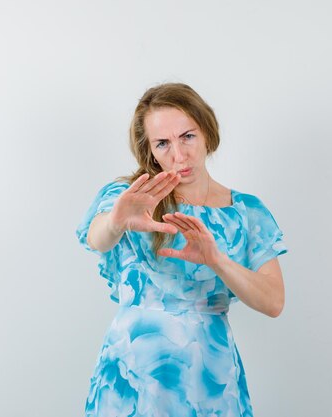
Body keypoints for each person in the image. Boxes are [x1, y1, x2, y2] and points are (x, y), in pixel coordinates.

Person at [75, 83, 288, 417]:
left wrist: (216, 260)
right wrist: (117, 221)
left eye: (187, 136)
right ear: (151, 151)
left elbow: (274, 302)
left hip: (209, 372)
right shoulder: (132, 197)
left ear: (205, 130)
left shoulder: (246, 210)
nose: (178, 155)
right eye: (163, 143)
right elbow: (96, 237)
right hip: (135, 374)